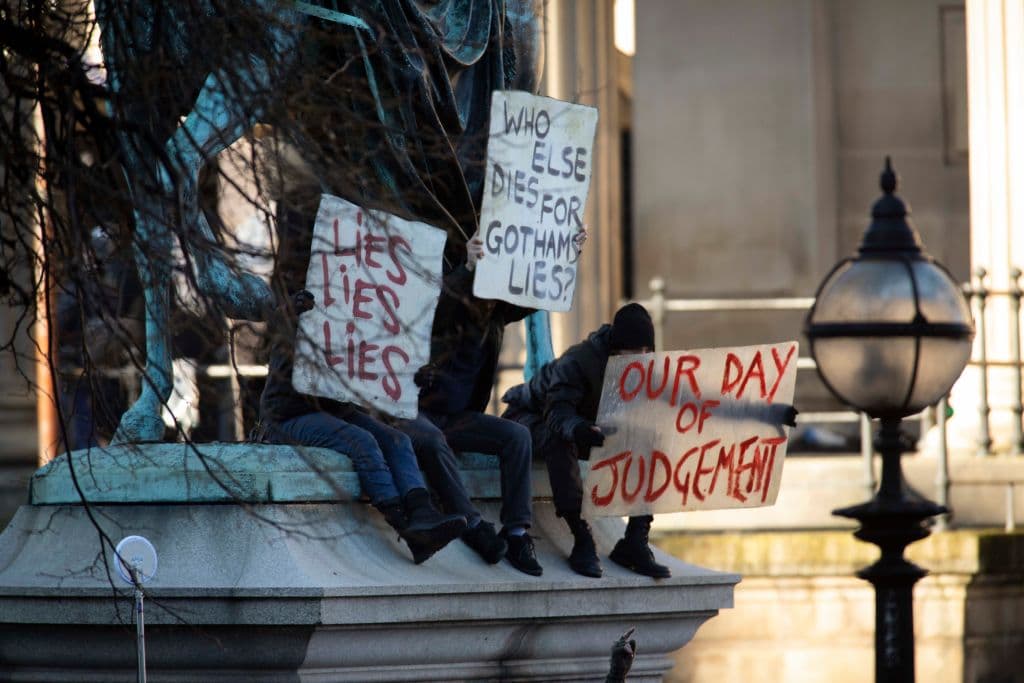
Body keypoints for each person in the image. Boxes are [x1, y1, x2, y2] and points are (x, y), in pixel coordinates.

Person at [256, 206, 466, 565]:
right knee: (363, 441)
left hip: (336, 407)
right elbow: (267, 344)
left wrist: (413, 373)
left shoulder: (365, 309)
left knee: (397, 439)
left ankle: (423, 515)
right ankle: (404, 523)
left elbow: (380, 366)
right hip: (288, 415)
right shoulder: (303, 303)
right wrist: (290, 316)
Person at [405, 232, 543, 576]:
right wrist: (468, 267)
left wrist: (568, 253)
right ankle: (471, 524)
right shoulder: (448, 305)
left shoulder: (496, 314)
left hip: (459, 418)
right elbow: (441, 303)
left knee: (517, 436)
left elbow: (540, 292)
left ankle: (516, 532)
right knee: (434, 443)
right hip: (418, 411)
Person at [500, 303, 672, 579]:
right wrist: (578, 428)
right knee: (560, 441)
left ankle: (635, 541)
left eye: (646, 351)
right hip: (530, 417)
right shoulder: (579, 361)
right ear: (617, 348)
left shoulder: (643, 370)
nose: (641, 358)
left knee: (647, 440)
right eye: (634, 351)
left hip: (589, 426)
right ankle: (580, 535)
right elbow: (557, 414)